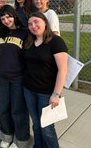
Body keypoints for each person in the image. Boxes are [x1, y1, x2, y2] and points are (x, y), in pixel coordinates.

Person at [23, 12, 68, 148]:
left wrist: (56, 94)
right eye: (30, 24)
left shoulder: (56, 41)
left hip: (47, 93)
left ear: (45, 23)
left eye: (36, 22)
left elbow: (63, 70)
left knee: (47, 128)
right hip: (29, 89)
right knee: (36, 124)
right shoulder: (29, 41)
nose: (33, 26)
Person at [0, 5, 30, 148]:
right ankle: (6, 135)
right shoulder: (0, 32)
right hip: (2, 76)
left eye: (8, 16)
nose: (6, 20)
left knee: (18, 109)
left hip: (18, 77)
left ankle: (20, 140)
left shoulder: (24, 32)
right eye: (3, 18)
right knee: (4, 107)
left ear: (14, 15)